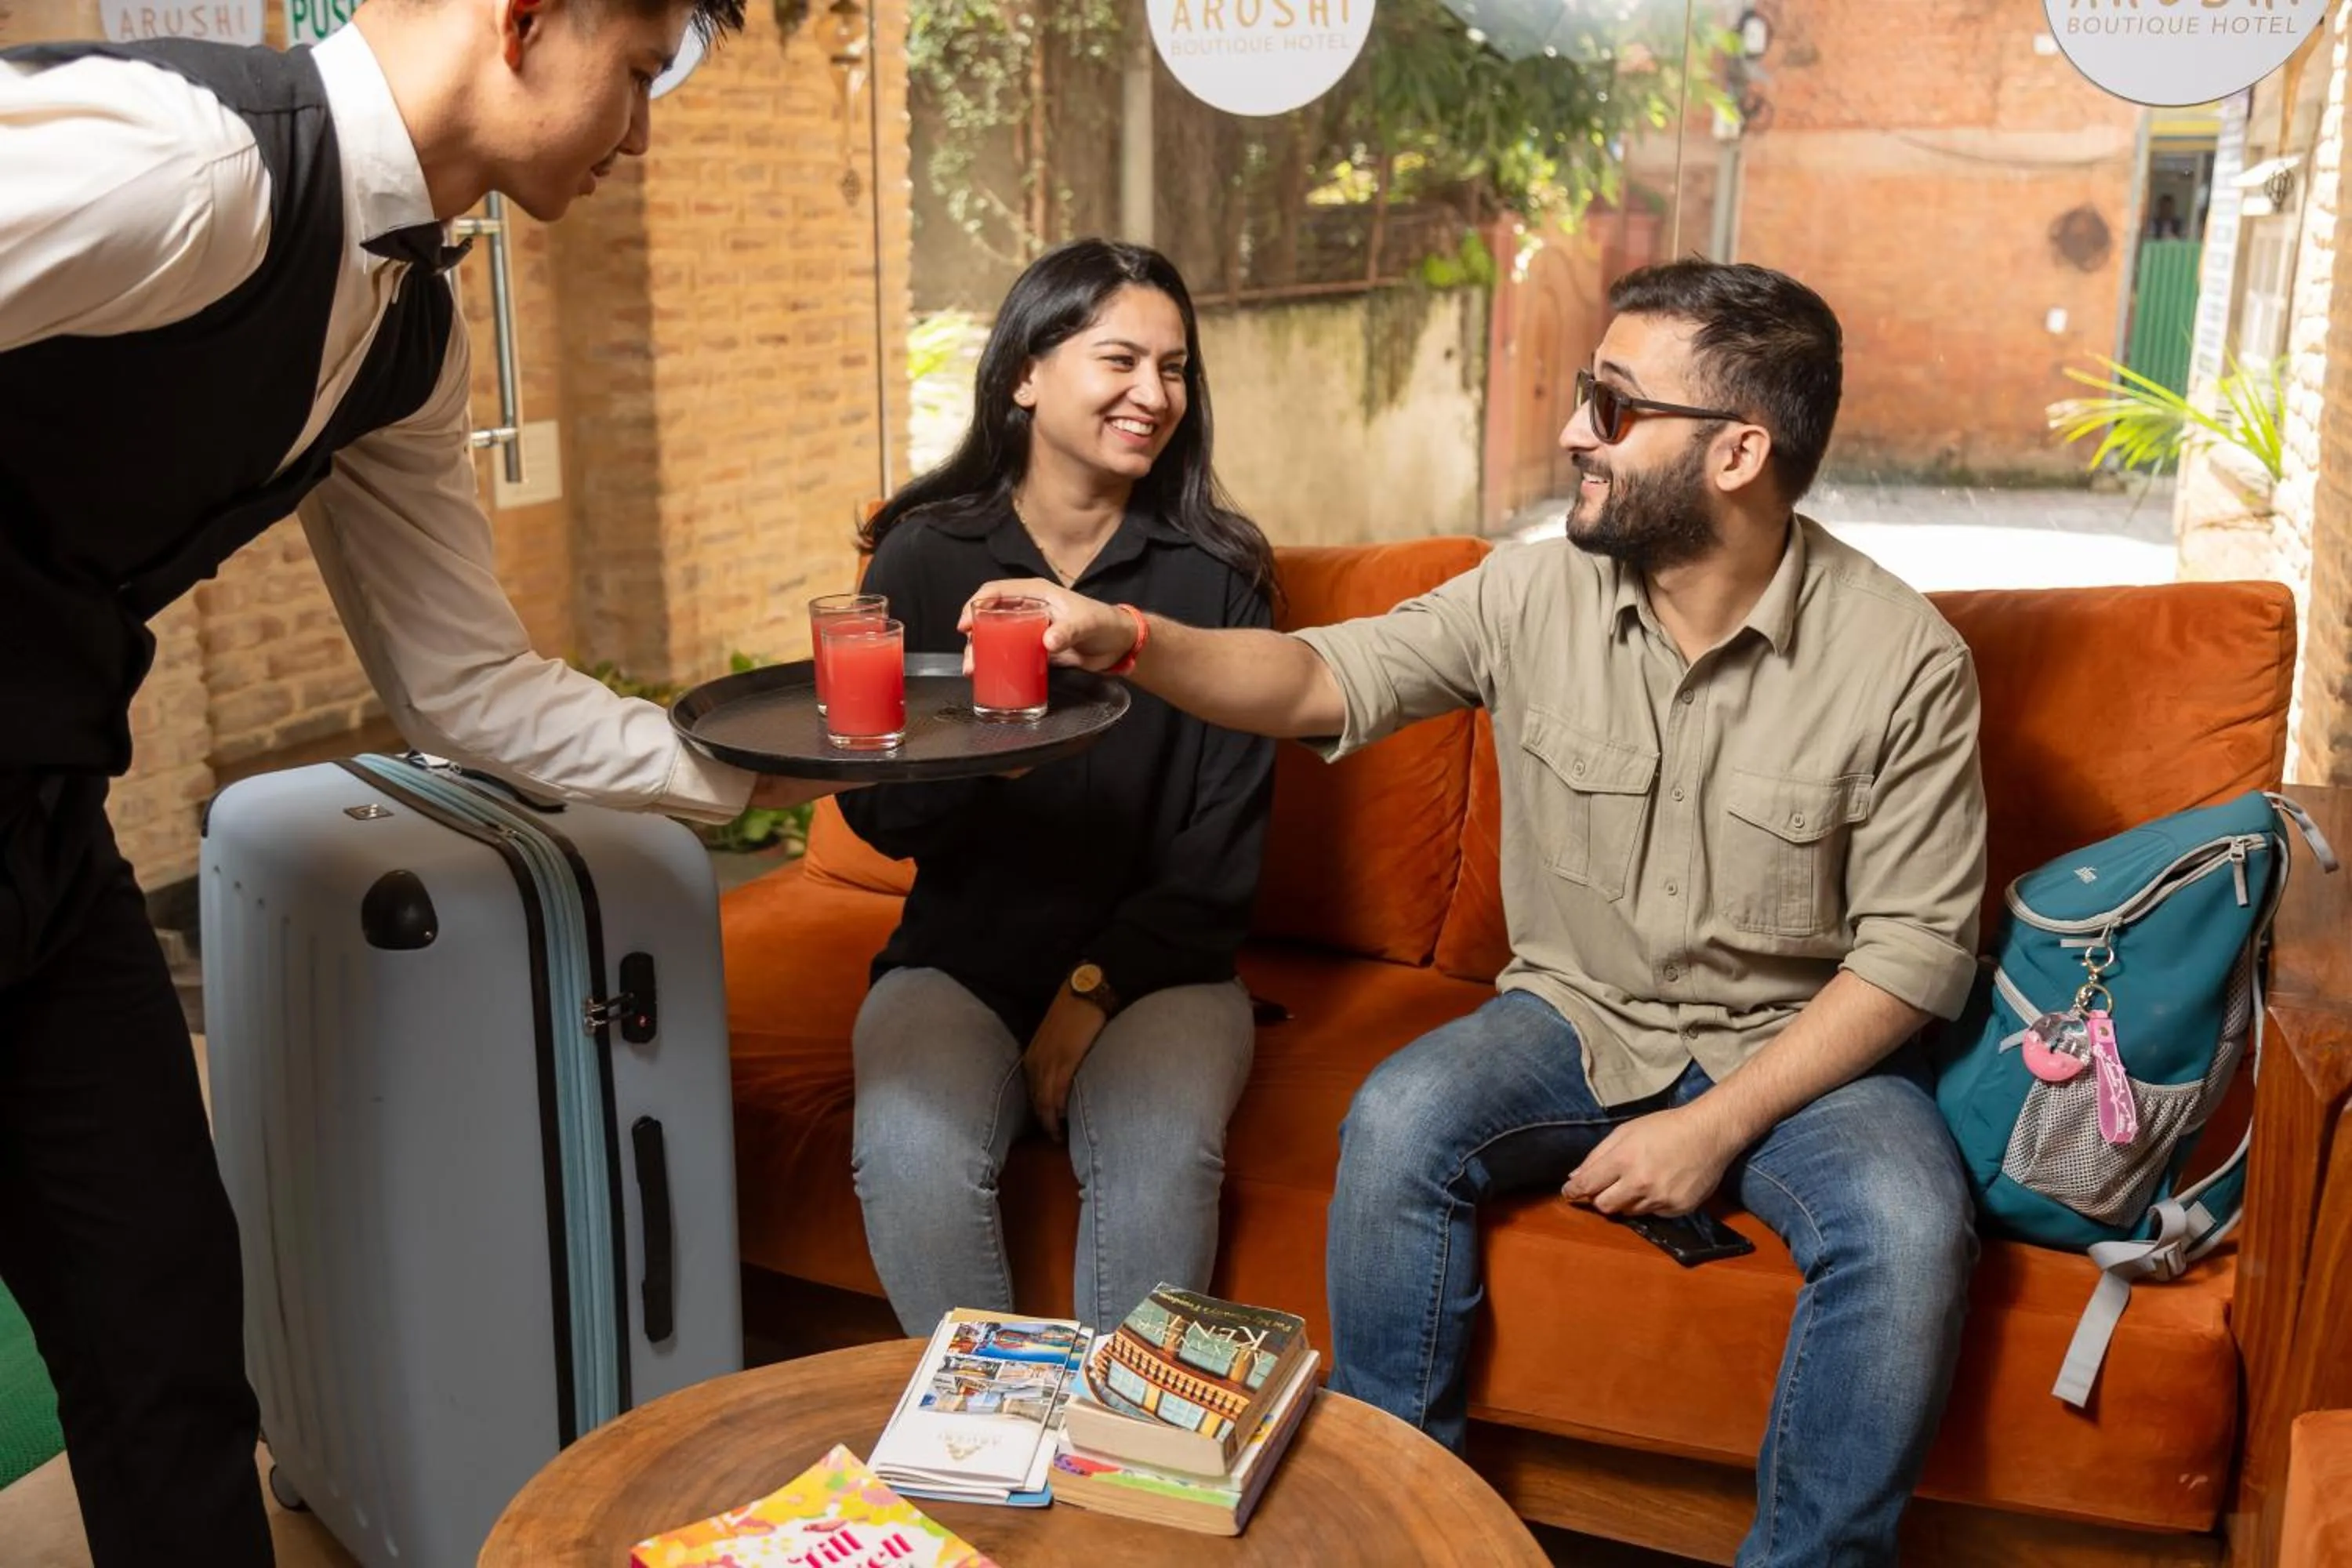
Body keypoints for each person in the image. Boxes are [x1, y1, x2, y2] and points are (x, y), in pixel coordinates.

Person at [963, 260, 1990, 1565]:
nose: (1572, 432)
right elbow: (1318, 680)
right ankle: (1410, 1530)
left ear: (1739, 450)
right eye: (1582, 394)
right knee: (1398, 1120)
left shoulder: (1904, 661)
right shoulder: (1530, 589)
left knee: (1908, 1226)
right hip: (1575, 1016)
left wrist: (1713, 1126)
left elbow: (1910, 957)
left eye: (1614, 407)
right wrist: (1128, 636)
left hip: (1798, 1051)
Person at [0, 4, 845, 1560]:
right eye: (643, 76)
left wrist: (762, 772)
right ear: (524, 24)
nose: (642, 136)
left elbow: (463, 683)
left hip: (44, 832)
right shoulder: (187, 169)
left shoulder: (405, 329)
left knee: (168, 1328)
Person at [840, 239, 1276, 1339]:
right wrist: (988, 761)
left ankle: (1116, 1475)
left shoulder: (1217, 575)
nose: (1153, 394)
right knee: (906, 1147)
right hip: (963, 955)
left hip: (1166, 971)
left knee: (1161, 1154)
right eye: (1120, 359)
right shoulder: (923, 557)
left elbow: (1221, 855)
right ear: (1026, 373)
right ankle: (981, 1453)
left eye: (1175, 369)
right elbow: (881, 814)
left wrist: (1092, 988)